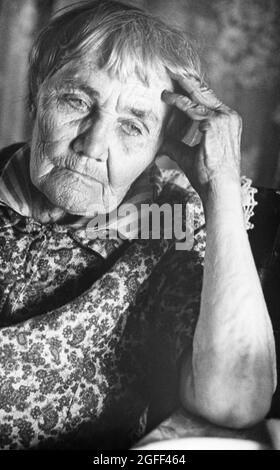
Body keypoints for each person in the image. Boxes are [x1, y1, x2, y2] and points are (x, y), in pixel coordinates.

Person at [0, 0, 276, 450]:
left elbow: (236, 399)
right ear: (37, 95)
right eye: (76, 100)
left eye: (132, 126)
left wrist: (220, 186)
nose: (93, 146)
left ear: (162, 145)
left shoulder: (167, 224)